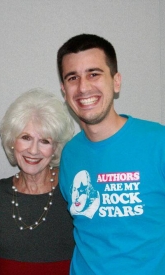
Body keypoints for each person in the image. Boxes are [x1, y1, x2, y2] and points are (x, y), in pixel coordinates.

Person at [57, 33, 165, 275]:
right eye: (73, 78)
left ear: (116, 82)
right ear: (64, 91)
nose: (83, 87)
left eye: (94, 74)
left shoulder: (159, 143)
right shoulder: (69, 155)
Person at [0, 88, 75, 275]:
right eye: (26, 138)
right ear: (12, 141)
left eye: (44, 141)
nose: (33, 150)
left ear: (56, 148)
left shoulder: (73, 188)